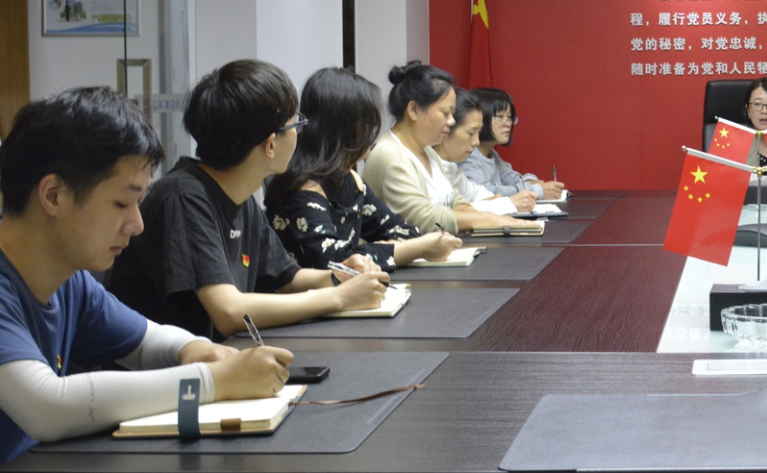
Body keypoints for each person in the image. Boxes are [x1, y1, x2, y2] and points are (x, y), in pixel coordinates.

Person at [0, 87, 291, 462]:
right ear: (54, 195)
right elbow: (48, 408)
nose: (136, 224)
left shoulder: (69, 282)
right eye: (122, 202)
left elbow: (147, 342)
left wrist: (196, 350)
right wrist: (214, 380)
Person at [109, 60, 388, 340]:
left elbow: (288, 278)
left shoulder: (238, 194)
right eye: (296, 124)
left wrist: (340, 275)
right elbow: (229, 312)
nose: (299, 133)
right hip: (175, 364)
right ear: (271, 145)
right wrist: (339, 298)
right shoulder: (183, 197)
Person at [264, 68, 462, 271]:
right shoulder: (302, 190)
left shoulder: (349, 179)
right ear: (341, 126)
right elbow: (337, 261)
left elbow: (404, 230)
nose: (374, 132)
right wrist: (412, 249)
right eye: (368, 123)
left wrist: (377, 251)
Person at [362, 62, 533, 233]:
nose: (451, 121)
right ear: (413, 110)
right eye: (445, 113)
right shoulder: (391, 155)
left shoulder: (427, 151)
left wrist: (497, 218)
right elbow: (425, 219)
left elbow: (457, 202)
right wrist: (491, 219)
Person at [437, 89, 541, 215]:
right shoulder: (426, 167)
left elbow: (478, 194)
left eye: (509, 117)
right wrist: (507, 203)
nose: (476, 141)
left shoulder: (452, 169)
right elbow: (450, 213)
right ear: (446, 128)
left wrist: (500, 200)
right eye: (471, 133)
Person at [460, 87, 564, 206]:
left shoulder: (491, 152)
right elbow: (486, 193)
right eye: (500, 117)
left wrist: (530, 181)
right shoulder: (468, 153)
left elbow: (510, 177)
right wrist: (536, 190)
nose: (508, 123)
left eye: (509, 117)